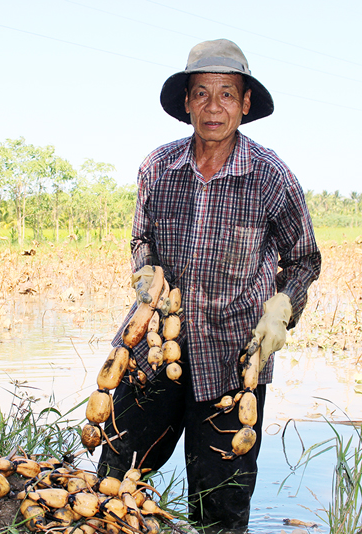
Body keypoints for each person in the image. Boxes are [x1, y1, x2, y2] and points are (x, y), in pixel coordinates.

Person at [98, 39, 321, 530]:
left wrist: (282, 307)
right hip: (153, 352)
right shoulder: (158, 168)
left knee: (219, 504)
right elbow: (142, 239)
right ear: (186, 103)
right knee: (114, 483)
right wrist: (146, 269)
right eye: (201, 93)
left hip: (232, 359)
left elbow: (304, 259)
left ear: (244, 104)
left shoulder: (271, 177)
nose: (213, 107)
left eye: (226, 94)